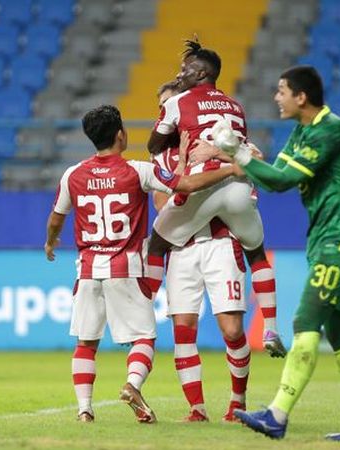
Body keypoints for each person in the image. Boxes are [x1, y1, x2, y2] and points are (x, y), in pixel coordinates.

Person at [215, 66, 340, 440]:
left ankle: (277, 415)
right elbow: (273, 176)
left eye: (281, 91)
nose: (276, 98)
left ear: (301, 97)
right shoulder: (302, 131)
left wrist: (237, 154)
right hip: (329, 237)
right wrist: (241, 154)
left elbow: (281, 180)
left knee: (304, 322)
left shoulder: (330, 129)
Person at [44, 105, 241, 424]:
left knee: (86, 342)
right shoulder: (137, 171)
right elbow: (186, 186)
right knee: (144, 338)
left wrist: (51, 242)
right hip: (125, 267)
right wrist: (231, 169)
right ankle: (132, 385)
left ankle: (84, 409)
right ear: (121, 135)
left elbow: (56, 219)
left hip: (88, 269)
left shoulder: (72, 174)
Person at [144, 38, 286, 358]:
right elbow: (247, 152)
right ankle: (272, 327)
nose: (180, 74)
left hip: (204, 186)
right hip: (239, 187)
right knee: (257, 251)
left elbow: (154, 145)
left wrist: (173, 138)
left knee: (156, 242)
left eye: (185, 70)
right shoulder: (236, 106)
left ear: (201, 73)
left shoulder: (177, 103)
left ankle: (142, 319)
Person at [151, 82, 250, 423]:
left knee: (233, 330)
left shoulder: (221, 140)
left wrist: (220, 160)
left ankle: (238, 402)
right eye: (162, 108)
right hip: (183, 251)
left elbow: (255, 160)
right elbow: (165, 211)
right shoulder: (159, 159)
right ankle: (197, 408)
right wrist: (180, 165)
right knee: (183, 328)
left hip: (222, 242)